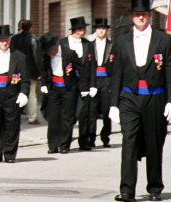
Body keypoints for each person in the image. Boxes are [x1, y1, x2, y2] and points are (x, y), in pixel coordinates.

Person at [109, 0, 171, 202]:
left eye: (144, 14)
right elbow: (116, 75)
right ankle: (127, 190)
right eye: (136, 14)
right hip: (129, 97)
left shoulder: (163, 40)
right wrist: (113, 104)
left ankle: (155, 187)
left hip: (155, 97)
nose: (140, 17)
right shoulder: (121, 41)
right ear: (131, 17)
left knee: (154, 142)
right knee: (128, 142)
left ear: (149, 16)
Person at [0, 25, 30, 163]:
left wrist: (24, 93)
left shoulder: (19, 56)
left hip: (11, 95)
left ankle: (9, 154)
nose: (4, 43)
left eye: (7, 40)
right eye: (1, 40)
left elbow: (25, 79)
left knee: (11, 127)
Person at [39, 31, 89, 154]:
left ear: (56, 47)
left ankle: (64, 145)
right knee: (53, 117)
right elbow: (44, 71)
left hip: (68, 88)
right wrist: (44, 85)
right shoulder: (46, 57)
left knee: (67, 117)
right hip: (54, 89)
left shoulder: (69, 53)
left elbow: (82, 70)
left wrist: (83, 88)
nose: (49, 53)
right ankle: (53, 145)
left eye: (50, 50)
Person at [66, 17, 97, 150]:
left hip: (84, 83)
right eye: (82, 29)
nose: (85, 31)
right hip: (68, 83)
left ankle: (84, 141)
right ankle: (65, 142)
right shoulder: (63, 43)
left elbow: (92, 65)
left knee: (84, 114)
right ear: (76, 30)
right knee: (68, 114)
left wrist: (93, 84)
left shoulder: (88, 44)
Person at [11, 19, 44, 124]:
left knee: (15, 92)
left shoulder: (14, 39)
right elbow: (36, 58)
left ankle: (16, 116)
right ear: (30, 28)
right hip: (29, 70)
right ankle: (32, 117)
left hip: (16, 69)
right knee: (31, 94)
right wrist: (38, 73)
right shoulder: (34, 39)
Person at [90, 18, 115, 147]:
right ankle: (91, 138)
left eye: (103, 28)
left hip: (107, 79)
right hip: (94, 79)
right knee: (92, 110)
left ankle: (105, 137)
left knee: (106, 110)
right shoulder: (90, 45)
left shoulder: (112, 46)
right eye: (99, 28)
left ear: (106, 30)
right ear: (95, 30)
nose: (101, 31)